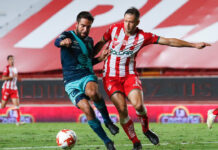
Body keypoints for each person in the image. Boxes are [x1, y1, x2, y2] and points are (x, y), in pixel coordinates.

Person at [94, 7, 211, 150]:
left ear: (137, 22)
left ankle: (146, 130)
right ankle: (136, 142)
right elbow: (101, 41)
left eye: (131, 22)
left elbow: (169, 41)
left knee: (138, 106)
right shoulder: (113, 29)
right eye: (125, 21)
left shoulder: (143, 36)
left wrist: (193, 45)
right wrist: (91, 58)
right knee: (122, 109)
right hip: (110, 77)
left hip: (129, 75)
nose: (127, 25)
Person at [54, 11, 119, 150]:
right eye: (83, 26)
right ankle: (107, 141)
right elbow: (57, 41)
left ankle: (107, 121)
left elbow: (87, 60)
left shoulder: (89, 41)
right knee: (87, 109)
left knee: (93, 93)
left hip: (86, 75)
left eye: (88, 27)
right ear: (77, 24)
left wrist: (99, 59)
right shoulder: (68, 35)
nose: (85, 29)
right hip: (70, 82)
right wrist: (62, 42)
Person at [0, 55, 24, 126]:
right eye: (10, 59)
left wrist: (18, 79)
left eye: (13, 59)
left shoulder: (15, 69)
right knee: (3, 106)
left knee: (17, 105)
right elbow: (3, 78)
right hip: (7, 89)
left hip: (14, 89)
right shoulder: (7, 68)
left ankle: (18, 122)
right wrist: (10, 77)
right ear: (8, 61)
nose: (12, 61)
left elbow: (15, 78)